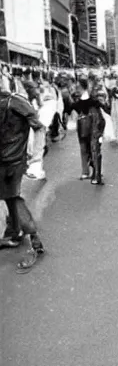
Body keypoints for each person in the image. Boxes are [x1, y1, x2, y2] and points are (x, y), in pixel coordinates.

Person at [0, 73, 46, 273]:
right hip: (5, 159)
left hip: (14, 160)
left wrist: (37, 156)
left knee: (13, 197)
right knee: (8, 196)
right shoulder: (6, 101)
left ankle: (35, 240)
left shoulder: (16, 101)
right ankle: (14, 233)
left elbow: (38, 126)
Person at [70, 76, 108, 185]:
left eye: (78, 87)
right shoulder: (82, 100)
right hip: (85, 127)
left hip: (90, 127)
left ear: (82, 88)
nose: (76, 89)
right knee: (87, 148)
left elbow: (101, 113)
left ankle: (92, 172)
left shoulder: (91, 101)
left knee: (91, 149)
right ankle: (89, 172)